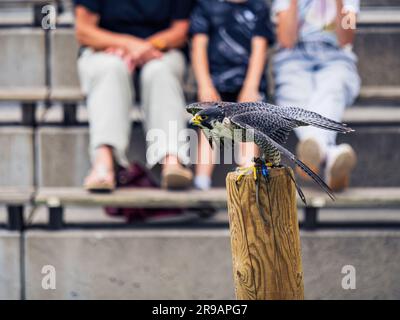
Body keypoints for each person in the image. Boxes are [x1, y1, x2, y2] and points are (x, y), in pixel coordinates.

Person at [74, 0, 194, 191]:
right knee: (111, 67)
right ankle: (104, 161)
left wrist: (147, 47)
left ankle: (172, 159)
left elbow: (181, 31)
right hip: (105, 49)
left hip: (161, 50)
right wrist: (128, 45)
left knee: (159, 71)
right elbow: (84, 31)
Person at [272, 0, 360, 191]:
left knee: (332, 89)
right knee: (294, 93)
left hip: (335, 57)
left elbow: (346, 38)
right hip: (293, 57)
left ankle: (316, 148)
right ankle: (330, 155)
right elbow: (286, 40)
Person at [190, 0, 275, 190]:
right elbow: (198, 48)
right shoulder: (206, 6)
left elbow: (259, 50)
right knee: (207, 120)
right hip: (215, 84)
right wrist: (204, 84)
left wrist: (251, 87)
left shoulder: (258, 7)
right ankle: (202, 181)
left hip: (247, 84)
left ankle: (248, 175)